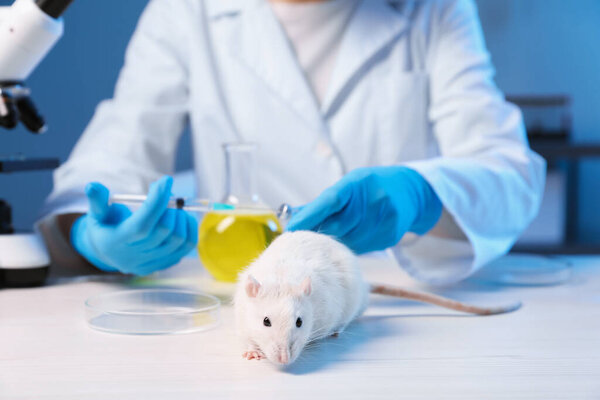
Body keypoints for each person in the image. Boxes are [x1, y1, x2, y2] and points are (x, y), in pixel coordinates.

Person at [38, 0, 545, 284]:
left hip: (394, 302)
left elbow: (511, 174)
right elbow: (113, 154)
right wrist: (93, 238)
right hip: (246, 307)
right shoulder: (184, 11)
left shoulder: (433, 9)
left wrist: (420, 194)